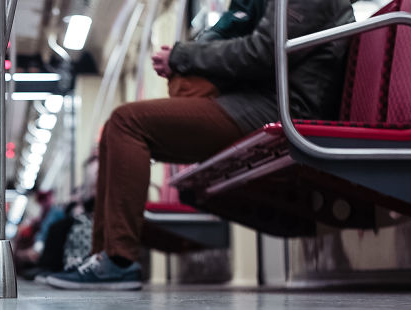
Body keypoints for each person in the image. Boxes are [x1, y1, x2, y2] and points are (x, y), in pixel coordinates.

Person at [47, 0, 354, 291]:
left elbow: (264, 51)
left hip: (287, 105)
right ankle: (105, 258)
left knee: (128, 123)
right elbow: (246, 35)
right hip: (263, 99)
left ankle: (118, 260)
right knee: (117, 127)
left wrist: (184, 56)